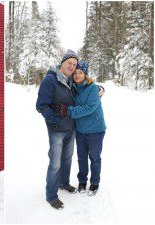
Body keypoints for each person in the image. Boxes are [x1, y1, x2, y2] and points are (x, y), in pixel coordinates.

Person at [36, 49, 104, 209]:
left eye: (74, 64)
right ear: (62, 63)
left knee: (67, 159)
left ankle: (64, 183)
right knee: (55, 163)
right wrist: (54, 120)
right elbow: (41, 105)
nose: (72, 67)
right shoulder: (50, 80)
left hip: (72, 128)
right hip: (57, 129)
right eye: (69, 63)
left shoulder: (72, 81)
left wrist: (99, 88)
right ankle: (51, 195)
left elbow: (87, 86)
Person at [67, 61, 106, 196]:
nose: (77, 75)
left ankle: (95, 183)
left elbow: (89, 108)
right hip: (80, 130)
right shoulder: (73, 89)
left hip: (95, 130)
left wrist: (69, 111)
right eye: (75, 72)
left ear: (85, 75)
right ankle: (82, 181)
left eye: (80, 72)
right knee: (81, 157)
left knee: (94, 158)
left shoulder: (94, 88)